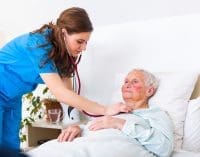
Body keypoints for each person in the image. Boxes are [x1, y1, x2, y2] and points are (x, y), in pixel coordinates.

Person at [0, 7, 131, 151]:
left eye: (86, 42)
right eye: (80, 41)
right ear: (64, 33)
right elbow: (60, 93)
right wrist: (105, 109)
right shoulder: (38, 44)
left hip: (12, 98)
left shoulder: (64, 54)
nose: (84, 48)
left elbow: (68, 95)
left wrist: (73, 124)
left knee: (9, 145)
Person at [28, 69, 174, 157]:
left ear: (150, 90)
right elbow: (96, 128)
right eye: (125, 81)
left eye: (135, 82)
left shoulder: (156, 114)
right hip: (74, 145)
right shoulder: (115, 111)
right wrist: (79, 128)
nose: (127, 85)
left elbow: (164, 148)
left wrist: (119, 123)